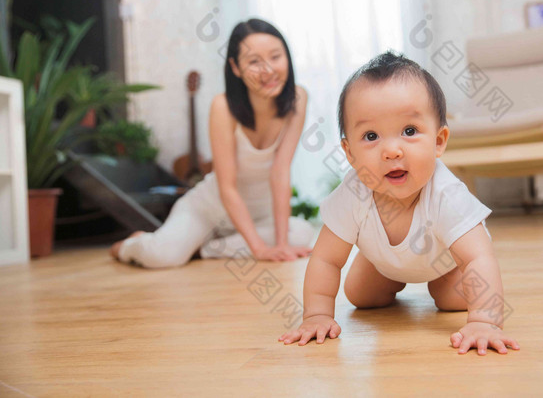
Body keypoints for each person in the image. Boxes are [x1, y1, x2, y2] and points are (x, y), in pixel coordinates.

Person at [279, 52, 520, 355]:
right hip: (382, 263)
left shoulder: (446, 194)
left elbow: (478, 258)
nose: (392, 150)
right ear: (349, 152)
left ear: (439, 141)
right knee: (360, 296)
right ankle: (381, 264)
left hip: (445, 262)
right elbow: (326, 259)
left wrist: (485, 321)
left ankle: (441, 281)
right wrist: (316, 315)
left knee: (453, 300)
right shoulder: (353, 193)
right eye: (371, 136)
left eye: (409, 131)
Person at [110, 19, 315, 268]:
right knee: (161, 258)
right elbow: (227, 186)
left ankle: (202, 249)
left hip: (259, 214)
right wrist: (259, 249)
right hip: (209, 210)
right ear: (235, 68)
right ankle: (133, 244)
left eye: (275, 57)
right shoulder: (223, 106)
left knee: (302, 232)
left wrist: (281, 244)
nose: (268, 70)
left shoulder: (298, 98)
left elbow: (280, 172)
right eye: (254, 62)